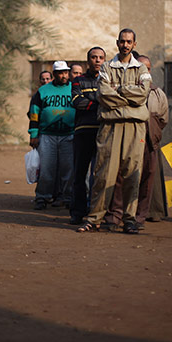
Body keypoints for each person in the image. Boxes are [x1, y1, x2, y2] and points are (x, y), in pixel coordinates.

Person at [77, 29, 151, 234]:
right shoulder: (107, 67)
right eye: (122, 41)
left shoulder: (142, 67)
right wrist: (129, 97)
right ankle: (95, 218)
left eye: (129, 42)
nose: (125, 45)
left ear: (134, 44)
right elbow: (103, 93)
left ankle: (129, 219)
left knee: (132, 173)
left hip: (135, 127)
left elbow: (143, 94)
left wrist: (119, 91)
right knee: (103, 173)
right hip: (110, 126)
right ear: (117, 43)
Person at [28, 61, 76, 210]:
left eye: (66, 72)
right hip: (47, 135)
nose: (64, 75)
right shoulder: (43, 91)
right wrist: (34, 134)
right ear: (54, 74)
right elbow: (34, 113)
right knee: (47, 169)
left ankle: (68, 198)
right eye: (61, 73)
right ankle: (42, 197)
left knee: (68, 169)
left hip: (69, 135)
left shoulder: (74, 89)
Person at [69, 47, 106, 224]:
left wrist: (91, 99)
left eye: (100, 57)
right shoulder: (78, 81)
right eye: (94, 57)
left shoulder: (108, 80)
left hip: (103, 133)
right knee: (79, 175)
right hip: (82, 132)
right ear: (88, 60)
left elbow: (111, 100)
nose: (97, 60)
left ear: (104, 60)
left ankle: (95, 212)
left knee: (97, 175)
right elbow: (77, 101)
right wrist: (99, 102)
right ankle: (77, 212)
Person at [133, 55, 168, 228]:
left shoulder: (157, 93)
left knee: (151, 177)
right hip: (132, 141)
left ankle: (152, 212)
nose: (143, 71)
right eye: (140, 67)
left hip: (151, 141)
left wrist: (153, 131)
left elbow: (163, 118)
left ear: (150, 70)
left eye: (146, 68)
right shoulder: (129, 89)